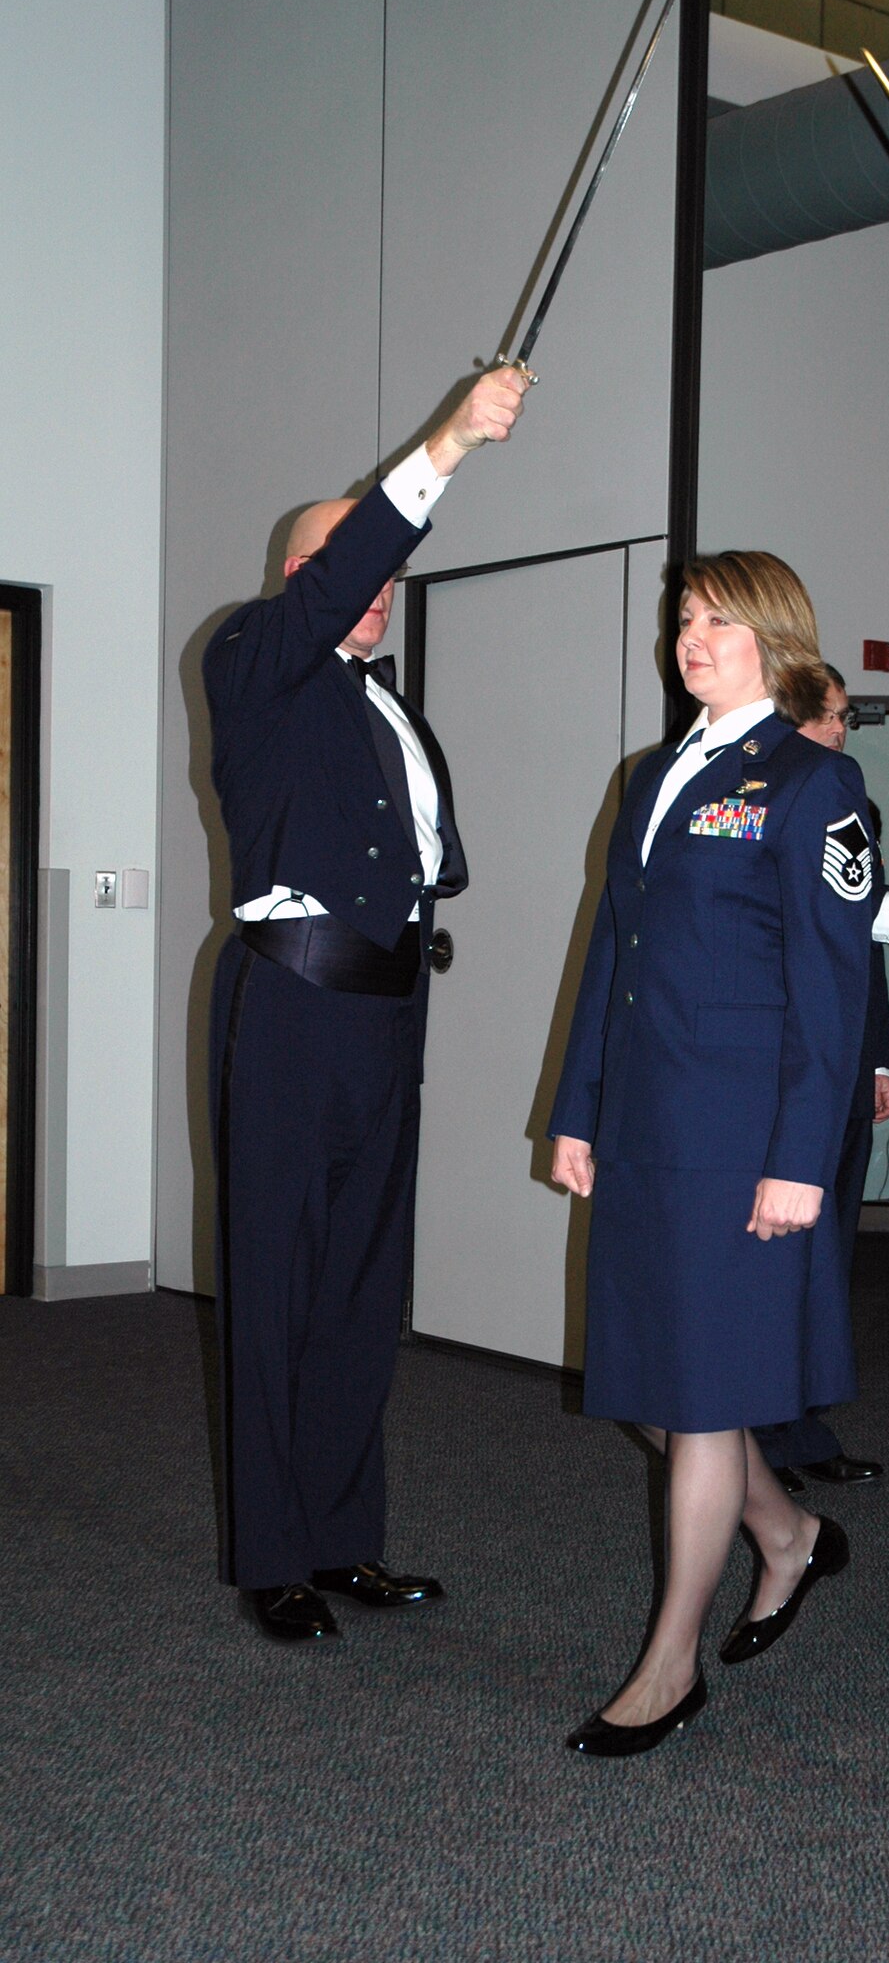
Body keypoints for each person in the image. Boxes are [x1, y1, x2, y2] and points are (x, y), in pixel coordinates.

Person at [204, 363, 527, 1643]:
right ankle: (271, 1556)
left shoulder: (384, 701)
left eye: (387, 573)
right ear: (303, 579)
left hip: (388, 1015)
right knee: (278, 1282)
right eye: (355, 568)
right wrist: (449, 443)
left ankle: (342, 1539)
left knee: (358, 1284)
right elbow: (342, 572)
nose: (380, 587)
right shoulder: (253, 656)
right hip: (292, 1003)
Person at [549, 552, 873, 1756]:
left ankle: (668, 1666)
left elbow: (831, 988)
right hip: (647, 1121)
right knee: (657, 1382)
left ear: (775, 636)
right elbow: (613, 951)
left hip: (741, 1135)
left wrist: (801, 1156)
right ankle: (785, 1532)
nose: (692, 635)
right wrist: (578, 1106)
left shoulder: (813, 779)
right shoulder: (650, 773)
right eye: (683, 616)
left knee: (694, 1399)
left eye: (719, 619)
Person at [756, 666, 889, 1493]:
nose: (842, 732)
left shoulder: (851, 808)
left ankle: (803, 1424)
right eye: (829, 718)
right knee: (774, 1259)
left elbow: (858, 954)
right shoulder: (754, 800)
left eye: (846, 717)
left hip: (842, 1064)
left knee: (827, 1256)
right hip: (777, 1068)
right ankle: (756, 1437)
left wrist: (878, 1055)